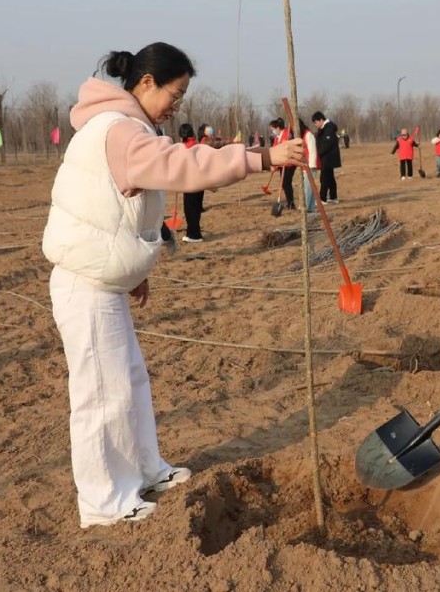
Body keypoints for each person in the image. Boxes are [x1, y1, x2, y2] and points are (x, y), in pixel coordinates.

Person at [41, 42, 302, 528]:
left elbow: (121, 206)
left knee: (130, 382)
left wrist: (136, 272)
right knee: (101, 394)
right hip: (84, 283)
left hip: (104, 279)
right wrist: (262, 158)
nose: (177, 105)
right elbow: (186, 167)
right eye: (174, 95)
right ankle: (105, 502)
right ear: (145, 83)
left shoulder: (128, 126)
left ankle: (145, 470)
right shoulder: (120, 130)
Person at [177, 123, 206, 243]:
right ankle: (194, 232)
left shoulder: (183, 148)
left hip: (190, 182)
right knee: (196, 209)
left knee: (190, 210)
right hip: (200, 182)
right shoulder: (197, 145)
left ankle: (194, 235)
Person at [312, 111, 341, 203]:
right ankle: (333, 197)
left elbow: (327, 144)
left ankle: (322, 198)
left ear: (321, 120)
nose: (316, 125)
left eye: (316, 123)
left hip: (329, 157)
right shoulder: (324, 128)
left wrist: (318, 153)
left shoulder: (329, 128)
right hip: (327, 157)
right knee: (330, 178)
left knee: (324, 178)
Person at [269, 118, 296, 210]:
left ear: (277, 128)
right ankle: (290, 202)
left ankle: (291, 203)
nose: (272, 131)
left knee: (286, 183)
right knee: (284, 184)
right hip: (281, 164)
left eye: (272, 129)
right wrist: (273, 164)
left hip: (289, 163)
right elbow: (274, 150)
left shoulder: (287, 134)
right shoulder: (277, 138)